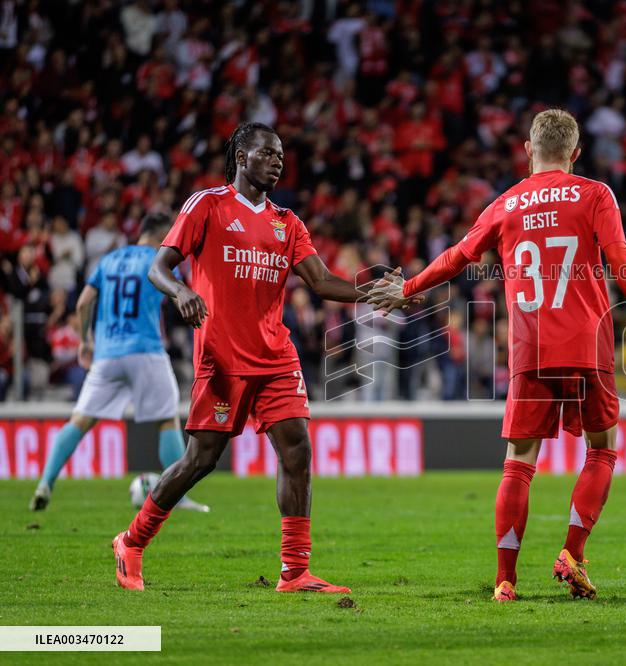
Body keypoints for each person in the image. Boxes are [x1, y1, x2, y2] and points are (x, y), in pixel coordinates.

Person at [368, 109, 626, 602]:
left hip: (530, 348)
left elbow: (458, 257)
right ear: (575, 153)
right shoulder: (595, 194)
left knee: (518, 463)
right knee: (602, 449)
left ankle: (505, 581)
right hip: (588, 346)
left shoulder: (505, 203)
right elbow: (620, 259)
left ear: (528, 150)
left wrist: (409, 289)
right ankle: (572, 552)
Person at [112, 121, 417, 594]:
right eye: (268, 152)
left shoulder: (287, 222)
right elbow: (159, 267)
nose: (278, 160)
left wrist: (373, 291)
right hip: (222, 357)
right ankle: (131, 541)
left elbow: (320, 282)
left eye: (281, 154)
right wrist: (180, 292)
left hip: (275, 356)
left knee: (298, 450)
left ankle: (295, 572)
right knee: (200, 460)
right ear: (241, 156)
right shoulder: (207, 205)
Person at [30, 213, 207, 514]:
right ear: (162, 235)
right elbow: (178, 295)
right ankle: (180, 498)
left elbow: (84, 302)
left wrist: (86, 340)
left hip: (107, 353)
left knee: (80, 420)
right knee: (166, 419)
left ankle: (45, 483)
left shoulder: (108, 260)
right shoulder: (158, 259)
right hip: (145, 350)